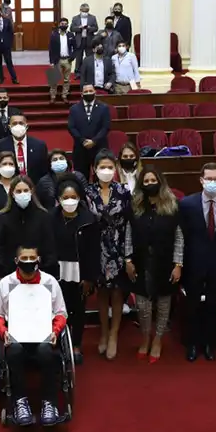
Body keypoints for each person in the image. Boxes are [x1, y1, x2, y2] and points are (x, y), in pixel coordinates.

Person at [0, 244, 69, 427]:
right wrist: (4, 333)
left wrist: (55, 331)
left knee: (46, 351)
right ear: (16, 261)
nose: (28, 262)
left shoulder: (50, 282)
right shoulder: (5, 284)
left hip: (44, 337)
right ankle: (20, 403)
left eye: (32, 258)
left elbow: (61, 313)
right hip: (16, 338)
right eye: (24, 259)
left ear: (38, 260)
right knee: (15, 351)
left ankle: (50, 403)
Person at [178, 163, 216, 362]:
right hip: (193, 263)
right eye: (209, 178)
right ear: (201, 180)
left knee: (213, 305)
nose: (212, 182)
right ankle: (193, 344)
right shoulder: (187, 204)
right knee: (193, 306)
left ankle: (209, 344)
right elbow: (182, 236)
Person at [129, 167, 183, 363]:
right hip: (141, 262)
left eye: (153, 180)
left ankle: (158, 340)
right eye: (146, 181)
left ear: (160, 182)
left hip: (165, 262)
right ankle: (145, 338)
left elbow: (179, 237)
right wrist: (128, 259)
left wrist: (178, 263)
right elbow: (128, 232)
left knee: (163, 304)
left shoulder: (172, 205)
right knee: (143, 306)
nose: (150, 183)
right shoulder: (135, 205)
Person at [85, 150, 133, 360]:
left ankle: (114, 334)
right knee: (102, 292)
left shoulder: (123, 191)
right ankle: (104, 333)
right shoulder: (88, 192)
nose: (106, 171)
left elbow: (130, 221)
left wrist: (129, 254)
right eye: (102, 167)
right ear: (95, 170)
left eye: (110, 167)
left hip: (119, 246)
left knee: (117, 292)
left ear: (115, 169)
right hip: (97, 247)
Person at [50, 178, 99, 365]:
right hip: (57, 268)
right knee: (57, 307)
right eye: (65, 197)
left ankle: (76, 344)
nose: (69, 200)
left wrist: (89, 277)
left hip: (80, 270)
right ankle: (57, 341)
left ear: (79, 198)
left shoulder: (89, 220)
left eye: (74, 197)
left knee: (78, 308)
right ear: (59, 199)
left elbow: (94, 251)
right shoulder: (50, 217)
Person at [0, 176, 57, 280]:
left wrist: (46, 270)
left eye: (25, 190)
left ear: (31, 191)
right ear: (12, 194)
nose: (22, 193)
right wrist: (1, 272)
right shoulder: (4, 217)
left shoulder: (44, 216)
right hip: (11, 275)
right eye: (18, 191)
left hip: (40, 274)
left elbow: (50, 247)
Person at [67, 84, 111, 182]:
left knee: (101, 177)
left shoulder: (103, 108)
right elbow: (71, 127)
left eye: (90, 91)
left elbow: (105, 127)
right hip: (81, 149)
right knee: (81, 179)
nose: (88, 93)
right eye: (86, 91)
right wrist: (83, 141)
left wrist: (94, 141)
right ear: (81, 94)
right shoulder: (74, 109)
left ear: (95, 92)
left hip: (99, 148)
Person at [0, 113, 49, 185]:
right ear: (9, 127)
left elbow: (44, 171)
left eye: (21, 123)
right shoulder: (0, 146)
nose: (18, 126)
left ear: (26, 126)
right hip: (9, 186)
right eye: (14, 123)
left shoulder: (39, 145)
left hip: (35, 187)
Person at [48, 17, 76, 104]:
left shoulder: (71, 35)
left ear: (68, 25)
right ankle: (53, 96)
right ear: (59, 25)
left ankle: (64, 95)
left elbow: (75, 48)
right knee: (54, 79)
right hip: (57, 60)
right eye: (62, 24)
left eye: (65, 24)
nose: (64, 25)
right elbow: (51, 49)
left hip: (68, 60)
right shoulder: (54, 35)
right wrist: (51, 62)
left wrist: (72, 58)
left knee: (66, 80)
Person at [0, 6, 18, 84]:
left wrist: (10, 43)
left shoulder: (7, 21)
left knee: (9, 62)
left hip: (6, 45)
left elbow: (11, 33)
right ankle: (1, 78)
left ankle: (14, 78)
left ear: (1, 12)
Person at [70, 3, 98, 75]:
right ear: (80, 10)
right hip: (79, 40)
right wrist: (79, 28)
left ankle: (89, 72)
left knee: (89, 56)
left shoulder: (92, 17)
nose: (85, 12)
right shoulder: (75, 18)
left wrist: (89, 28)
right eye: (83, 10)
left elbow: (96, 28)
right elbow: (72, 28)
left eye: (87, 11)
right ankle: (78, 72)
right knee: (79, 57)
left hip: (89, 40)